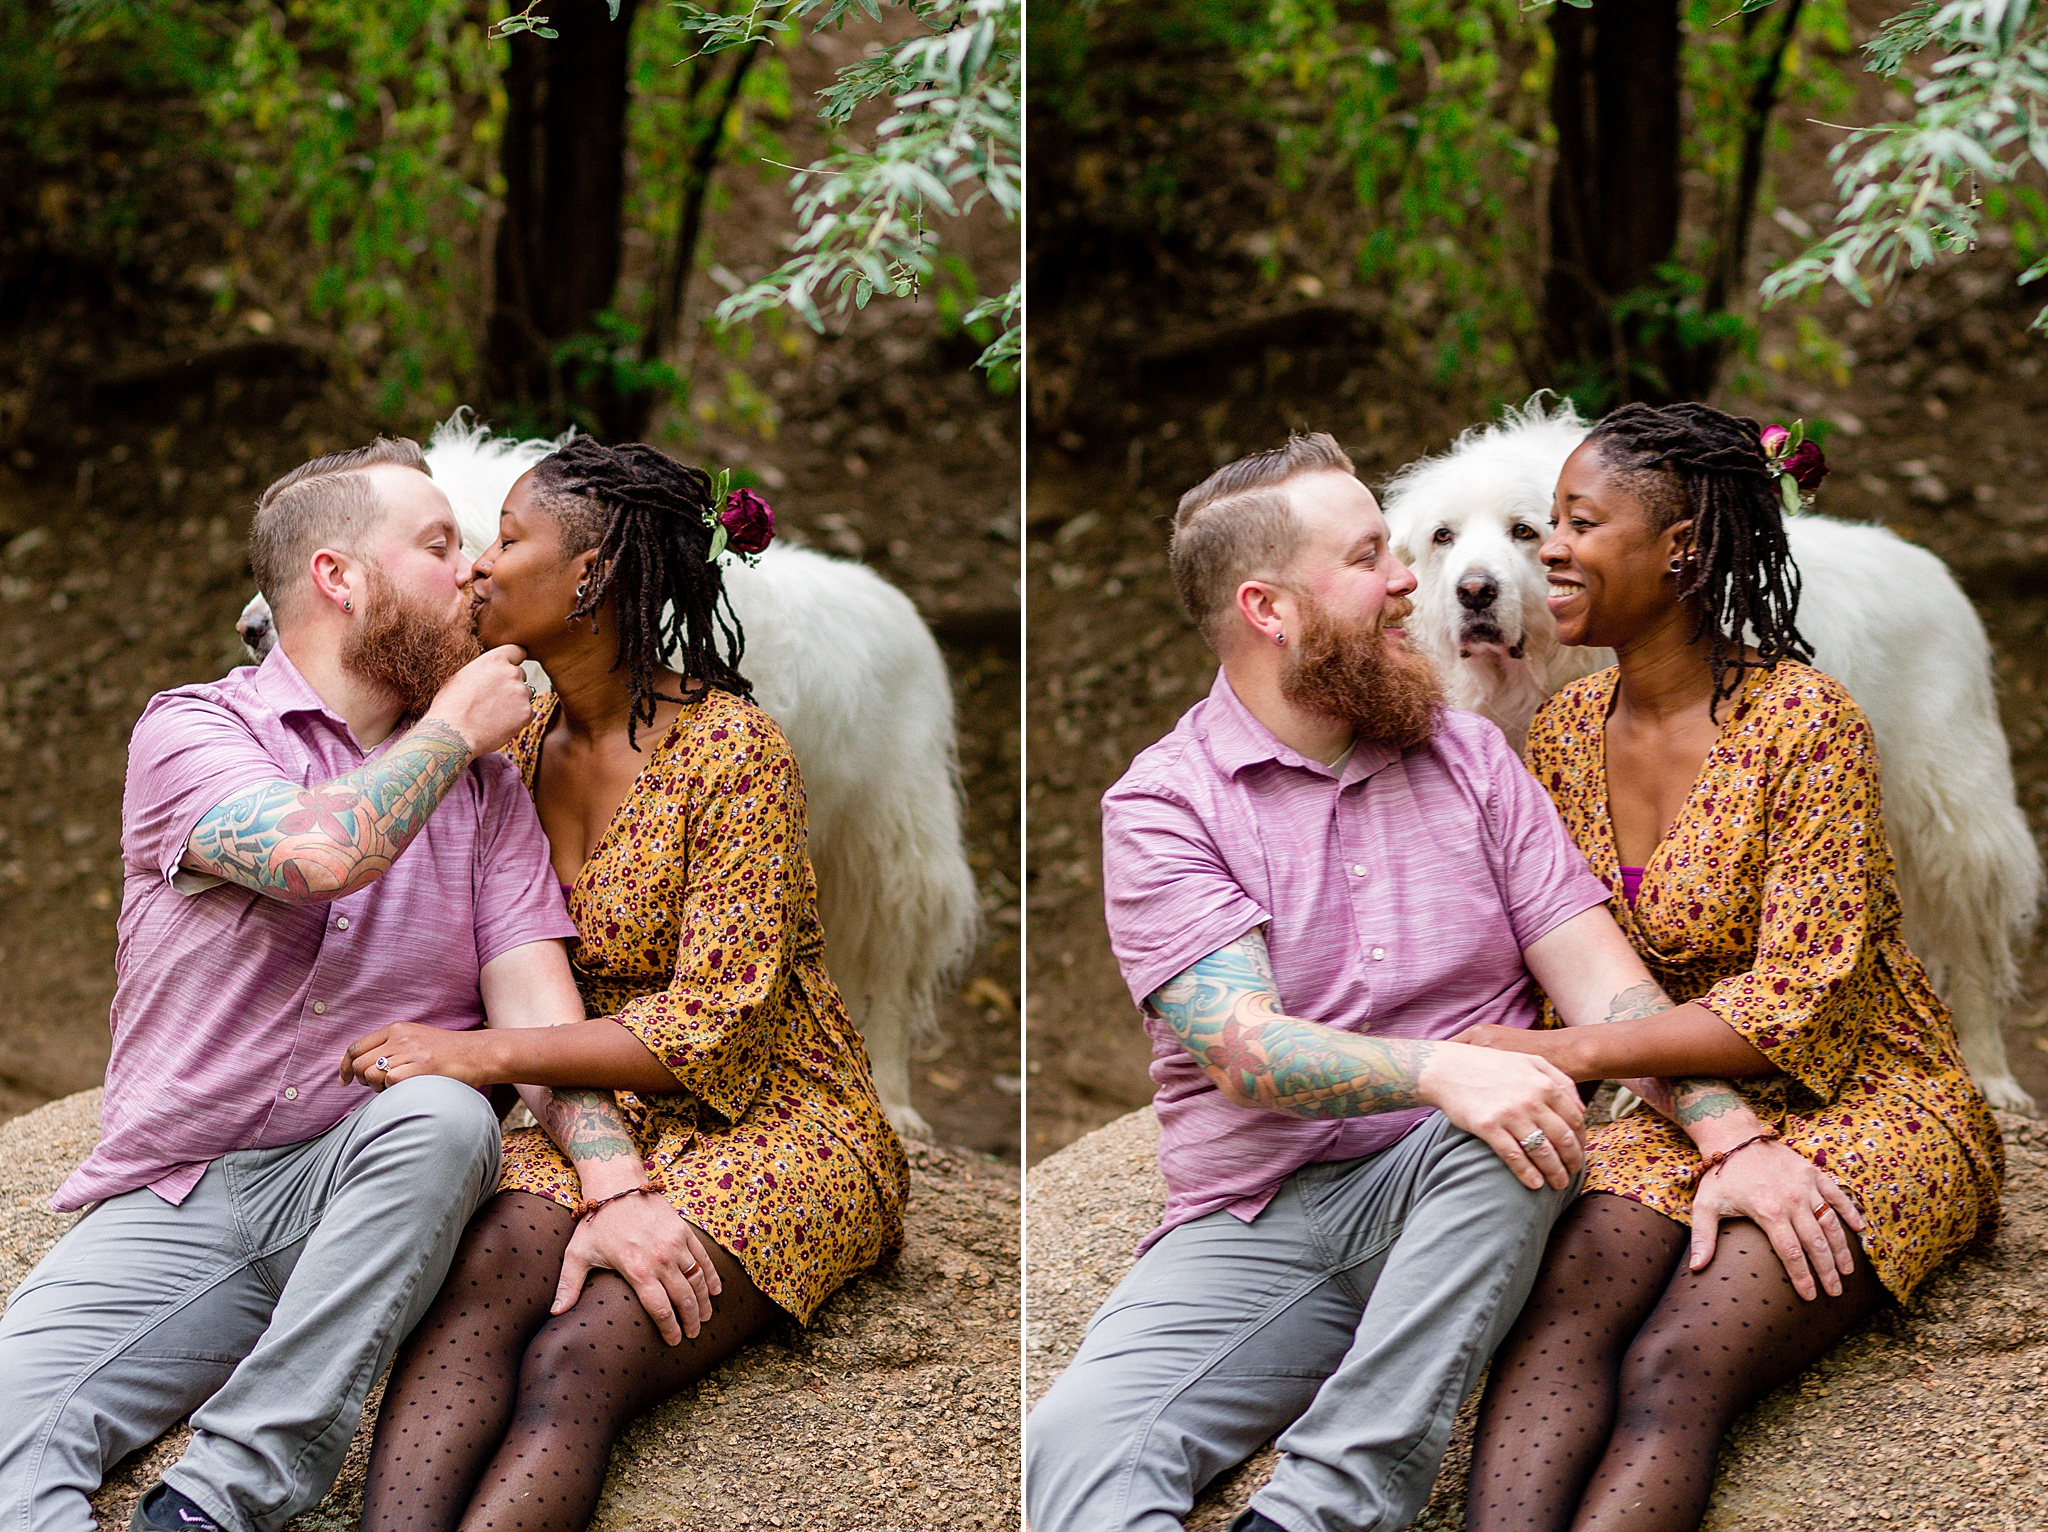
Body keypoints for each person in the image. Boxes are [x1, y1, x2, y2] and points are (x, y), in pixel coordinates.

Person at [1024, 433, 1774, 1532]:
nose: (1407, 582)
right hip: (1256, 1216)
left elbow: (1606, 991)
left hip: (1467, 1179)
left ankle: (1316, 1514)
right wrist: (1437, 1068)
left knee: (1516, 1109)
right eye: (1370, 557)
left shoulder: (1469, 760)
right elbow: (1245, 1050)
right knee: (1075, 1450)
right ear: (1269, 608)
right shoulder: (1165, 807)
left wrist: (1728, 1135)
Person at [0, 439, 587, 1532]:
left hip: (370, 1186)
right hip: (176, 1198)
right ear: (339, 577)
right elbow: (320, 855)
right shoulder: (194, 730)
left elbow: (542, 1024)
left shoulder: (489, 798)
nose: (468, 571)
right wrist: (456, 727)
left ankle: (215, 1505)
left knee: (442, 1113)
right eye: (436, 544)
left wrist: (622, 1186)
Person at [337, 437, 910, 1532]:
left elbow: (715, 1029)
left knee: (577, 1350)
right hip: (593, 1108)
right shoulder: (509, 752)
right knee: (477, 1291)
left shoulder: (734, 753)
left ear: (591, 574)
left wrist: (474, 1056)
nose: (478, 567)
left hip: (774, 1114)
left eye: (506, 540)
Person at [1457, 402, 2004, 1532]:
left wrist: (1569, 1049)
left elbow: (1799, 1000)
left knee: (1672, 1359)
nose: (1545, 547)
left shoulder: (1806, 722)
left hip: (1868, 1090)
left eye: (1576, 521)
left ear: (1682, 546)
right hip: (1679, 1098)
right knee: (1561, 1316)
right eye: (1545, 522)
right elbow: (1573, 945)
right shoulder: (1559, 732)